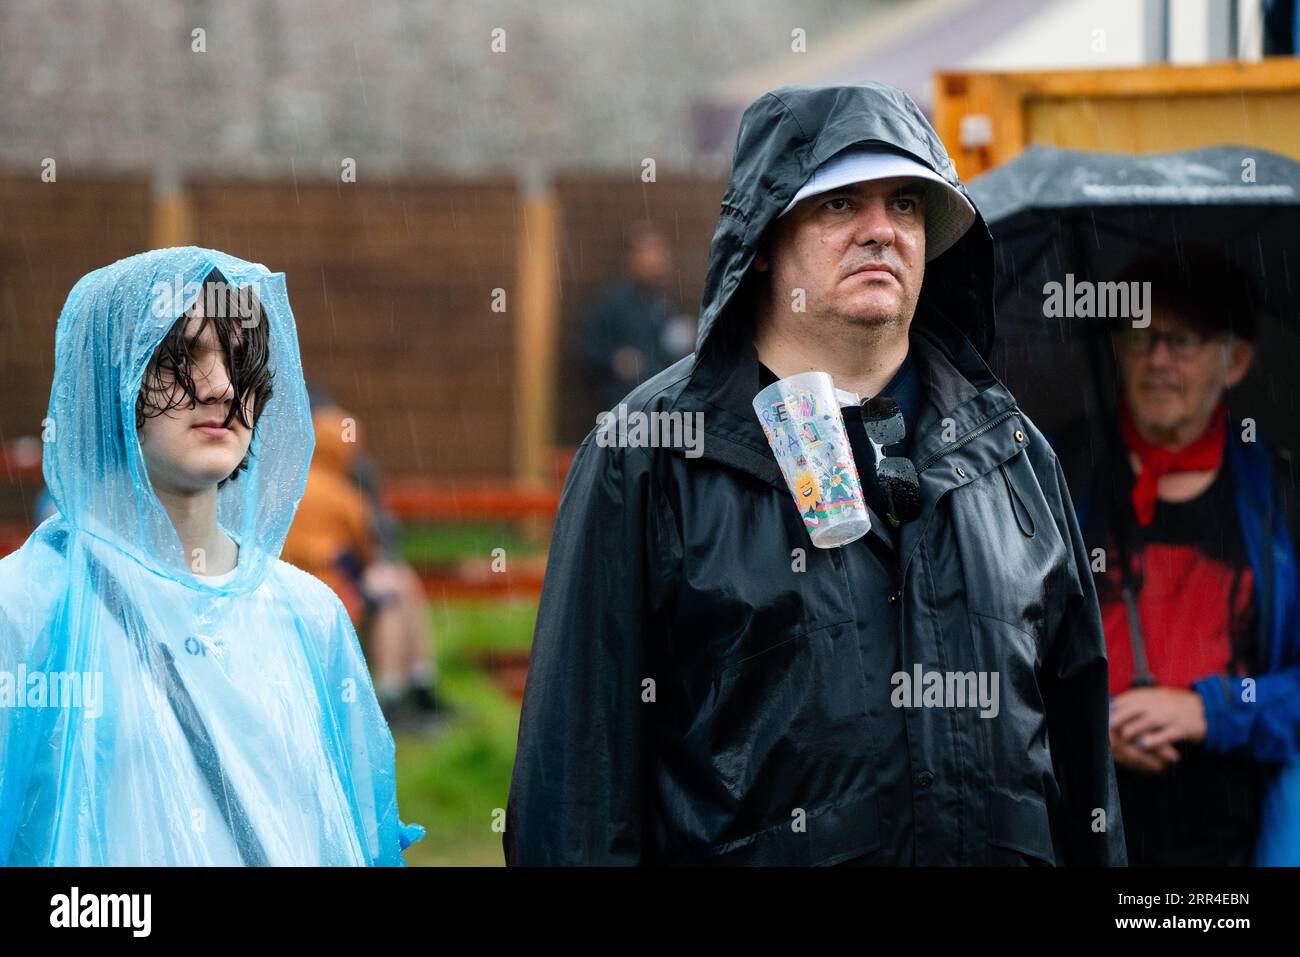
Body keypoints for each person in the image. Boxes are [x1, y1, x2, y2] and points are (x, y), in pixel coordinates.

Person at [505, 82, 1126, 866]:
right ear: (764, 236)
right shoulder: (650, 456)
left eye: (905, 204)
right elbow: (576, 793)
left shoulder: (1012, 455)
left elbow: (1082, 770)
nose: (880, 231)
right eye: (839, 204)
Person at [0, 247, 423, 865]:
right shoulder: (27, 610)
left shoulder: (309, 617)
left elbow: (355, 830)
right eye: (181, 358)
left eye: (238, 357)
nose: (222, 386)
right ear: (106, 379)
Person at [1055, 248, 1300, 866]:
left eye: (1182, 339)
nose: (1157, 359)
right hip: (1085, 828)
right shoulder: (1054, 478)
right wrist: (1086, 727)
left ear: (1237, 359)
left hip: (1241, 836)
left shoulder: (1283, 500)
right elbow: (1003, 662)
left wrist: (1212, 709)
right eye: (1138, 335)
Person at [281, 398, 447, 733]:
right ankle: (395, 695)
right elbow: (367, 547)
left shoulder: (289, 482)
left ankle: (417, 687)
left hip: (294, 584)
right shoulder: (343, 493)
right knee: (393, 594)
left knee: (398, 582)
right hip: (330, 584)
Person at [580, 220, 694, 413]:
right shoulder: (612, 302)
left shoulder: (666, 303)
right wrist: (614, 359)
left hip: (661, 404)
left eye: (659, 252)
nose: (655, 260)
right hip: (623, 405)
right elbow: (587, 346)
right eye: (648, 252)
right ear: (631, 258)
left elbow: (671, 350)